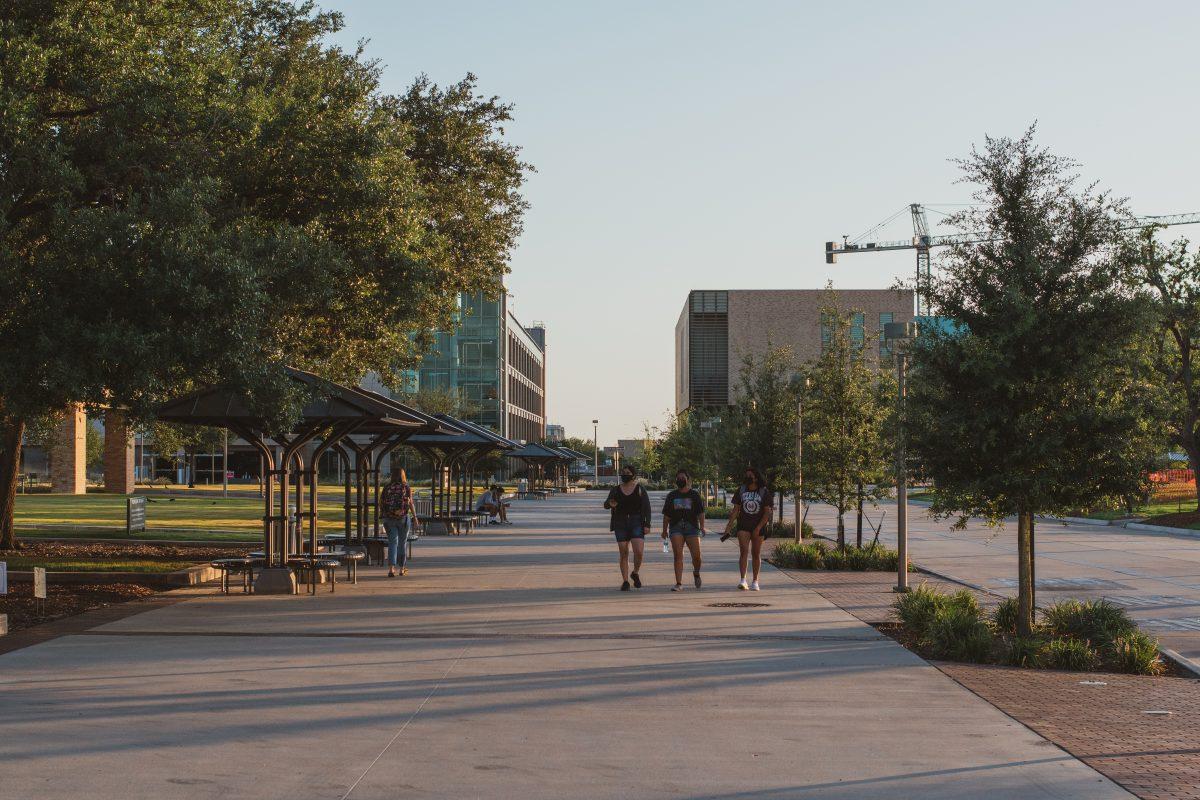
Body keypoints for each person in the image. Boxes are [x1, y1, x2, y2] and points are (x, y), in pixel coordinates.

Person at [604, 467, 652, 591]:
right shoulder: (615, 490)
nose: (625, 475)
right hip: (620, 522)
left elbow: (647, 507)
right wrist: (610, 503)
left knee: (638, 552)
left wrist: (647, 524)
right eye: (623, 473)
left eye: (628, 473)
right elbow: (605, 505)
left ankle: (635, 572)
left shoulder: (640, 489)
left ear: (633, 475)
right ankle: (625, 581)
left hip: (637, 521)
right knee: (623, 552)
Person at [661, 469, 705, 591]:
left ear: (687, 479)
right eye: (678, 478)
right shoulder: (672, 495)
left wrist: (702, 527)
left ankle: (696, 572)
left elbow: (701, 513)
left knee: (697, 556)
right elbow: (666, 515)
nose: (680, 480)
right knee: (678, 555)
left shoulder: (694, 495)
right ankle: (679, 583)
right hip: (676, 527)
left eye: (682, 478)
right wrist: (664, 530)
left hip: (692, 528)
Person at [732, 467, 772, 591]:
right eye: (746, 475)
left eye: (750, 475)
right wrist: (729, 525)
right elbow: (736, 509)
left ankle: (755, 580)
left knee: (756, 553)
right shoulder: (741, 490)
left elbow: (767, 513)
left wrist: (759, 527)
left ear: (756, 477)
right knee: (744, 551)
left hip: (758, 526)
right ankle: (743, 579)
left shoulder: (763, 492)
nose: (748, 477)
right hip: (743, 525)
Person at [380, 468, 415, 578]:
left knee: (392, 543)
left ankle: (391, 569)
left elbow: (381, 503)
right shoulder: (406, 487)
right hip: (403, 518)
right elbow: (410, 503)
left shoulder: (387, 488)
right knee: (402, 543)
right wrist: (415, 516)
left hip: (389, 519)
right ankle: (402, 569)